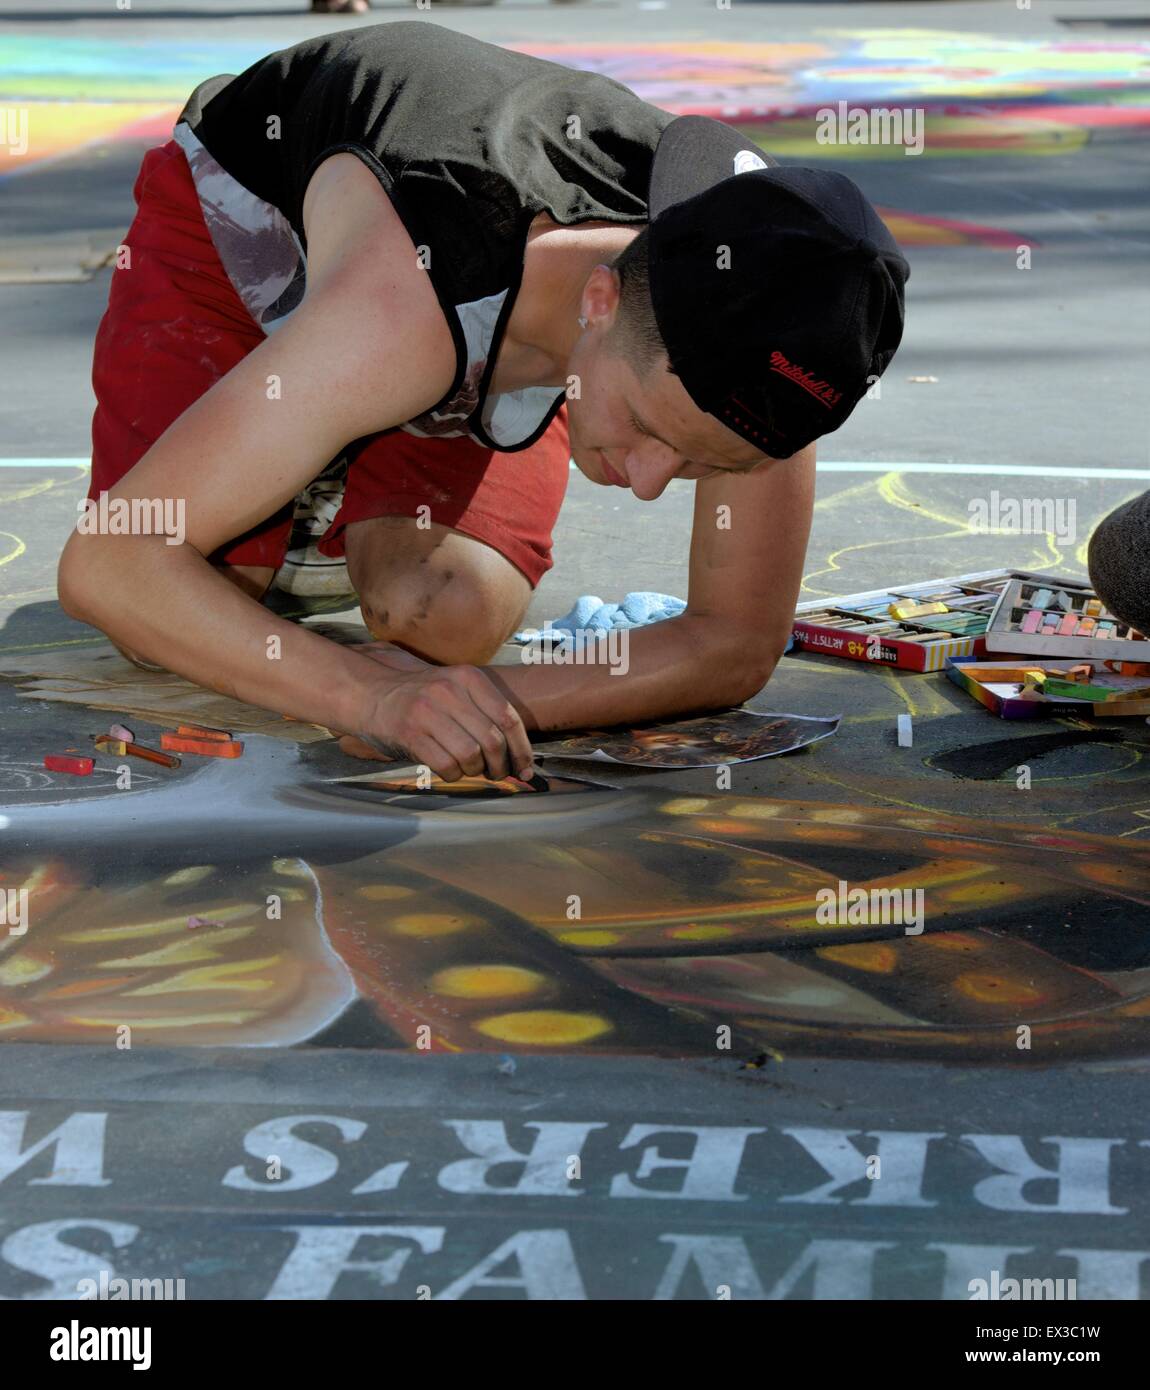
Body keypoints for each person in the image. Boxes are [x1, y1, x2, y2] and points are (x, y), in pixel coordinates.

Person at [58, 22, 908, 783]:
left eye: (707, 464)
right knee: (188, 605)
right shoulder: (401, 315)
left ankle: (308, 455)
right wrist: (368, 700)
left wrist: (474, 701)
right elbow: (111, 564)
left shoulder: (776, 328)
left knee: (444, 615)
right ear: (600, 304)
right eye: (649, 430)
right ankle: (304, 466)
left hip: (467, 327)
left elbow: (734, 643)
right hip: (254, 232)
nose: (646, 483)